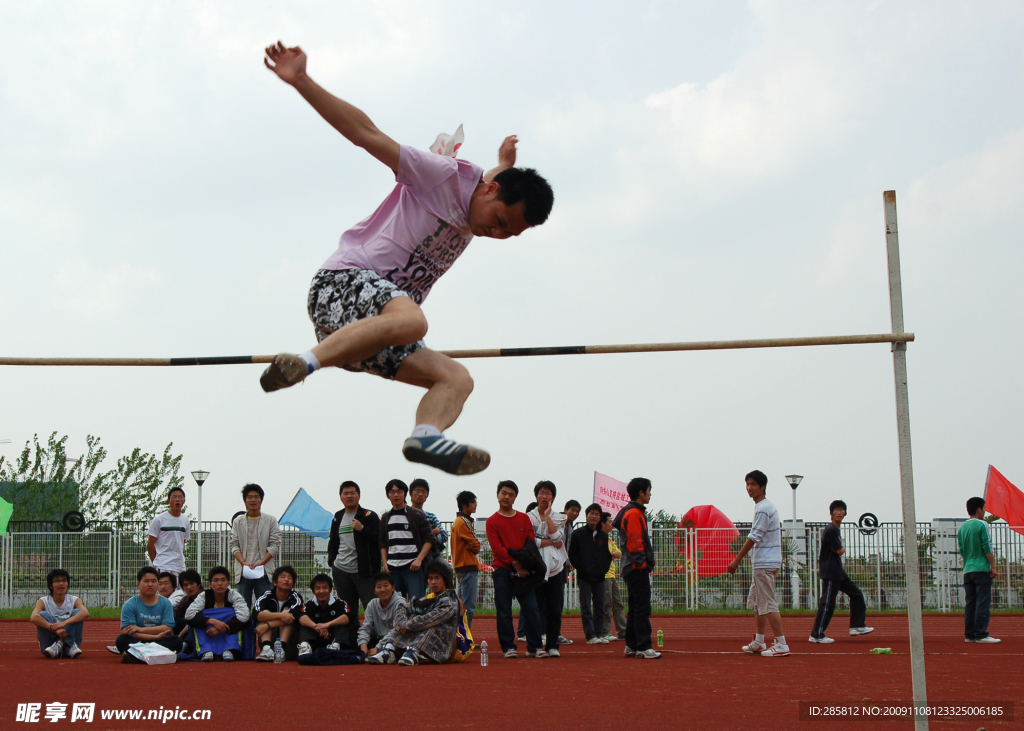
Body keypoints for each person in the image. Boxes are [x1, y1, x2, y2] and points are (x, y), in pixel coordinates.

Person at [258, 41, 554, 477]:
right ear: (491, 192)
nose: (494, 233)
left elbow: (487, 186)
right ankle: (301, 364)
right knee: (414, 320)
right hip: (342, 286)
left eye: (507, 234)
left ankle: (426, 438)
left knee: (457, 377)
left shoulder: (485, 193)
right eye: (499, 222)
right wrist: (302, 80)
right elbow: (367, 135)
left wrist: (502, 165)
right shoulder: (440, 175)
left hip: (371, 332)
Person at [727, 470, 789, 658]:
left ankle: (781, 643)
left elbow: (754, 536)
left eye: (753, 484)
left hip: (765, 562)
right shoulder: (764, 507)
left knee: (768, 602)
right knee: (758, 602)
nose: (749, 488)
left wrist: (737, 560)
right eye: (748, 484)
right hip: (764, 561)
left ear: (762, 487)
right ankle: (759, 641)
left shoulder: (763, 508)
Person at [486, 480, 544, 658]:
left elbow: (530, 541)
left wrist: (522, 564)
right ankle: (508, 647)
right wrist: (515, 563)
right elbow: (498, 548)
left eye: (511, 494)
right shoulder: (492, 521)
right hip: (502, 569)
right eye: (504, 493)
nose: (506, 497)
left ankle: (535, 646)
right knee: (504, 610)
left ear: (515, 498)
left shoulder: (523, 518)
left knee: (531, 608)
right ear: (497, 494)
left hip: (524, 571)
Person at [367, 561, 463, 666]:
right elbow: (403, 608)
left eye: (437, 578)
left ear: (444, 579)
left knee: (427, 624)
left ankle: (413, 651)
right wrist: (403, 624)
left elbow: (430, 619)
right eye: (430, 579)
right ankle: (389, 650)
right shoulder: (428, 598)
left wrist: (408, 626)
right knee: (410, 617)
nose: (433, 582)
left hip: (444, 647)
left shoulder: (450, 601)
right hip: (421, 637)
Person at [809, 500, 874, 643]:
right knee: (827, 603)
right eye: (836, 510)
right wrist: (842, 549)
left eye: (842, 510)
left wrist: (840, 549)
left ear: (845, 513)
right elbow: (839, 551)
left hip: (838, 571)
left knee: (856, 594)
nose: (839, 512)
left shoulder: (835, 530)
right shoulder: (831, 529)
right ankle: (816, 634)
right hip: (831, 571)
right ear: (831, 513)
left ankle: (857, 626)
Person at [613, 478, 661, 659]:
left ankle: (632, 645)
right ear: (641, 493)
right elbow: (635, 542)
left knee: (634, 607)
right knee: (641, 608)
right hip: (635, 567)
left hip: (631, 566)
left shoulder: (633, 512)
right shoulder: (634, 513)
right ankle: (643, 646)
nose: (650, 494)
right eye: (649, 490)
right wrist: (642, 565)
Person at [327, 480, 381, 628]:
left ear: (359, 496)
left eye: (352, 493)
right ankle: (351, 643)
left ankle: (372, 643)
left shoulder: (368, 516)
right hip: (341, 570)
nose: (349, 496)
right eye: (345, 493)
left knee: (372, 608)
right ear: (340, 497)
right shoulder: (337, 517)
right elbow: (333, 542)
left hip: (364, 572)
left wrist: (362, 528)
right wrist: (332, 561)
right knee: (348, 611)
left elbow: (379, 539)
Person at [528, 480, 569, 657]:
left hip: (556, 568)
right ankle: (535, 645)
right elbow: (531, 541)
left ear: (553, 497)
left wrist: (548, 517)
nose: (545, 496)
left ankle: (552, 645)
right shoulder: (528, 517)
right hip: (536, 568)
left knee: (555, 607)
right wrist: (548, 542)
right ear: (536, 495)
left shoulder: (560, 517)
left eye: (548, 493)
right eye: (541, 493)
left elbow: (557, 538)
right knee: (535, 607)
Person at [109, 566, 183, 661]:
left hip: (160, 640)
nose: (150, 584)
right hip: (139, 640)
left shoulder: (165, 603)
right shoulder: (130, 604)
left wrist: (140, 629)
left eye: (154, 581)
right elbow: (128, 631)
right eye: (146, 581)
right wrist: (156, 636)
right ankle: (157, 656)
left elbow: (167, 628)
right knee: (122, 639)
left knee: (177, 641)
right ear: (138, 584)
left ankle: (136, 657)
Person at [379, 479, 435, 600]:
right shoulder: (386, 517)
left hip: (413, 568)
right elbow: (382, 543)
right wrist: (385, 563)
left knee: (417, 604)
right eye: (392, 492)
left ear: (405, 494)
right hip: (393, 569)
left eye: (399, 491)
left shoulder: (416, 514)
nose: (396, 495)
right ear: (388, 495)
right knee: (397, 605)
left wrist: (419, 560)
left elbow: (429, 539)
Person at [229, 484, 282, 607]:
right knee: (242, 606)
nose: (253, 500)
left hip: (263, 571)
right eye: (250, 497)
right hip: (244, 571)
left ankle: (264, 626)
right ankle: (245, 627)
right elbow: (234, 545)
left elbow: (275, 544)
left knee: (265, 605)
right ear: (245, 501)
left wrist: (262, 562)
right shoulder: (238, 521)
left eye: (256, 497)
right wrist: (243, 562)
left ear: (261, 500)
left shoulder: (270, 520)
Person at [184, 566, 251, 662]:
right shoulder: (203, 596)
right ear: (210, 584)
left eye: (223, 580)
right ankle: (206, 650)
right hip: (209, 631)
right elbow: (189, 615)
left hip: (227, 630)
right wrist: (212, 621)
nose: (219, 584)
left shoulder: (234, 595)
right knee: (198, 618)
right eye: (216, 580)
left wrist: (221, 627)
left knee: (234, 614)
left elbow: (244, 615)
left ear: (228, 582)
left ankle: (230, 650)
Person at [958, 496, 1000, 644]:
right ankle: (981, 634)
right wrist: (993, 566)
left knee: (970, 603)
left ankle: (969, 634)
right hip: (982, 569)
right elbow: (986, 546)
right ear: (979, 509)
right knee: (983, 602)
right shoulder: (982, 525)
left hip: (968, 569)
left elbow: (962, 549)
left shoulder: (962, 527)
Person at [569, 503, 612, 644]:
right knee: (586, 606)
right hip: (584, 577)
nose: (594, 516)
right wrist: (583, 568)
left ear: (600, 518)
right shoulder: (577, 534)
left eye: (597, 514)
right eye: (591, 514)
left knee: (600, 605)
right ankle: (590, 636)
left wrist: (603, 569)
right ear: (586, 516)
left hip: (600, 577)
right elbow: (573, 555)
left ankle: (598, 634)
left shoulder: (603, 536)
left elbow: (607, 555)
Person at [30, 569, 89, 659]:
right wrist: (54, 628)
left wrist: (63, 623)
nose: (61, 584)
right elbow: (33, 617)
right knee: (42, 614)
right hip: (49, 647)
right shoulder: (43, 601)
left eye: (64, 580)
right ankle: (58, 645)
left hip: (72, 649)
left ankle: (64, 644)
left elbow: (85, 613)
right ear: (50, 585)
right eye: (57, 581)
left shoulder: (74, 600)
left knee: (78, 612)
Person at [253, 566, 304, 661]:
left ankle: (281, 651)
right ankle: (266, 649)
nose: (286, 580)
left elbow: (292, 617)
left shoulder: (296, 598)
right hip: (269, 637)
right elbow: (256, 614)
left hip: (290, 642)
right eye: (283, 577)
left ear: (293, 584)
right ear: (275, 582)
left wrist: (268, 625)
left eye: (290, 578)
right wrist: (280, 615)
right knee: (266, 613)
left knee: (288, 619)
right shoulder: (266, 595)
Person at [296, 574, 351, 656]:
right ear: (313, 591)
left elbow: (348, 617)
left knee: (342, 621)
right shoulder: (309, 604)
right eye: (318, 588)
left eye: (325, 587)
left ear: (330, 590)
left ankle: (335, 647)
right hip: (315, 639)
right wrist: (317, 627)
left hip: (334, 637)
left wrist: (326, 625)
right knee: (306, 622)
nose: (321, 591)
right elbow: (301, 617)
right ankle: (305, 647)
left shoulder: (340, 603)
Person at [357, 573, 408, 658]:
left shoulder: (400, 603)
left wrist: (377, 648)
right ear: (374, 591)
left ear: (393, 588)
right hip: (378, 640)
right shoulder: (372, 604)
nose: (383, 589)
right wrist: (363, 647)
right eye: (379, 587)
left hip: (396, 641)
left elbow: (397, 629)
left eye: (386, 585)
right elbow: (366, 628)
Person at [450, 490, 481, 626]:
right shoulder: (464, 522)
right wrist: (475, 546)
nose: (476, 505)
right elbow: (476, 546)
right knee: (468, 605)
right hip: (467, 566)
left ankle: (460, 637)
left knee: (461, 604)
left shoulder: (458, 521)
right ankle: (466, 638)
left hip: (460, 567)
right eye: (473, 502)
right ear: (464, 505)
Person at [147, 487, 189, 580]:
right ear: (169, 501)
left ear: (184, 501)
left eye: (180, 497)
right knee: (165, 592)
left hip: (179, 566)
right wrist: (158, 562)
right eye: (174, 497)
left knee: (180, 593)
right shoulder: (159, 519)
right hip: (163, 566)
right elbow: (150, 545)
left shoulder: (185, 520)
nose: (177, 500)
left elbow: (183, 541)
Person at [601, 512, 627, 641]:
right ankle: (604, 631)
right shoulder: (599, 538)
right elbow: (606, 554)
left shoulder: (609, 539)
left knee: (618, 603)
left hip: (612, 575)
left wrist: (613, 553)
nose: (612, 524)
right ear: (603, 524)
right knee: (606, 603)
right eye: (610, 522)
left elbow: (619, 553)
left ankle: (622, 631)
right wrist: (612, 553)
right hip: (604, 575)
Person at [410, 478, 448, 562]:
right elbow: (410, 536)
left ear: (427, 496)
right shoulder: (406, 515)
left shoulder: (430, 516)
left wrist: (426, 535)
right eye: (417, 491)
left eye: (424, 492)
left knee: (447, 568)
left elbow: (444, 536)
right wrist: (432, 533)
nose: (420, 494)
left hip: (432, 553)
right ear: (410, 494)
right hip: (412, 553)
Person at [173, 569, 203, 639]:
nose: (189, 587)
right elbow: (176, 613)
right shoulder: (186, 599)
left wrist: (180, 635)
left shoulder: (206, 597)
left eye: (192, 583)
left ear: (198, 584)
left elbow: (197, 620)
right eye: (186, 585)